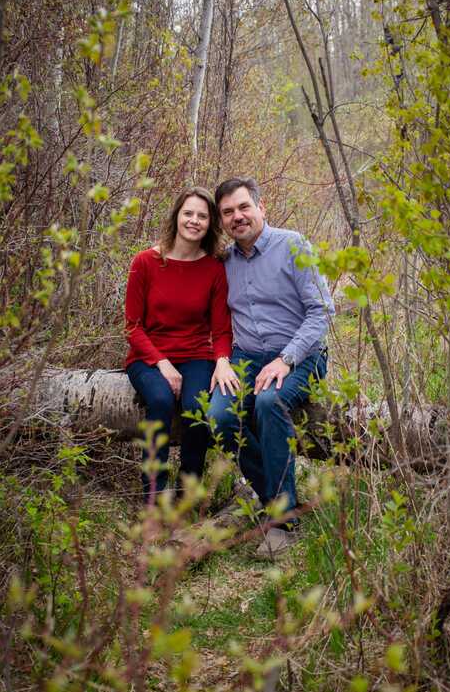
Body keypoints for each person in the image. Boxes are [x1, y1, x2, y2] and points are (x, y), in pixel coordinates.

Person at [208, 177, 334, 558]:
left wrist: (286, 358)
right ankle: (276, 497)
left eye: (244, 207)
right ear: (222, 220)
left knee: (268, 402)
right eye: (228, 212)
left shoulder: (294, 245)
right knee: (220, 415)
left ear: (261, 208)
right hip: (246, 357)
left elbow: (322, 311)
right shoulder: (225, 262)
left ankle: (282, 523)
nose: (237, 216)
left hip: (302, 354)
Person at [125, 186, 238, 502]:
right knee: (160, 400)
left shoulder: (214, 269)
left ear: (210, 223)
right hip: (147, 357)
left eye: (202, 216)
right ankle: (154, 494)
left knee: (196, 409)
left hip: (196, 355)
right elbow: (132, 327)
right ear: (176, 216)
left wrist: (222, 360)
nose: (194, 221)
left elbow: (221, 330)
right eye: (188, 213)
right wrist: (162, 363)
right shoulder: (145, 262)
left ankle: (187, 493)